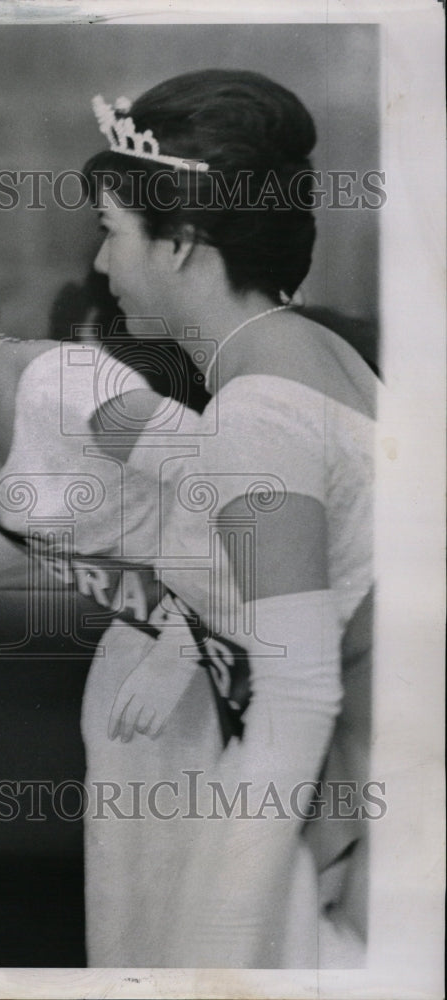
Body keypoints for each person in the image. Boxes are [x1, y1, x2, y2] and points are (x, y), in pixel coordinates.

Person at [76, 69, 379, 968]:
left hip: (334, 822)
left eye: (110, 232)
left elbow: (298, 691)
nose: (98, 265)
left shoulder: (261, 410)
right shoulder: (314, 354)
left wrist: (220, 935)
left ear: (182, 242)